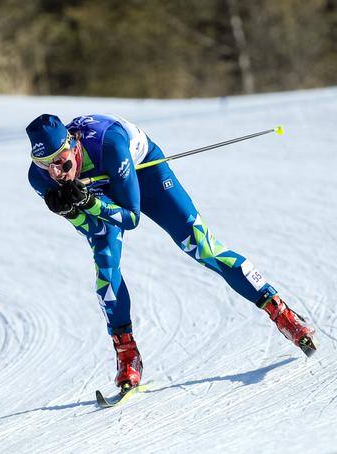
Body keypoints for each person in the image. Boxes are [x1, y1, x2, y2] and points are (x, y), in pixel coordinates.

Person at [26, 113, 317, 393]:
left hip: (141, 171)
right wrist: (73, 210)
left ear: (73, 145)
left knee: (202, 246)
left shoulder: (109, 144)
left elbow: (131, 217)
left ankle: (281, 313)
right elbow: (91, 230)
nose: (55, 172)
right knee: (105, 265)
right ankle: (127, 353)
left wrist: (88, 202)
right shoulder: (40, 179)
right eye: (44, 164)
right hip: (99, 189)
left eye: (61, 162)